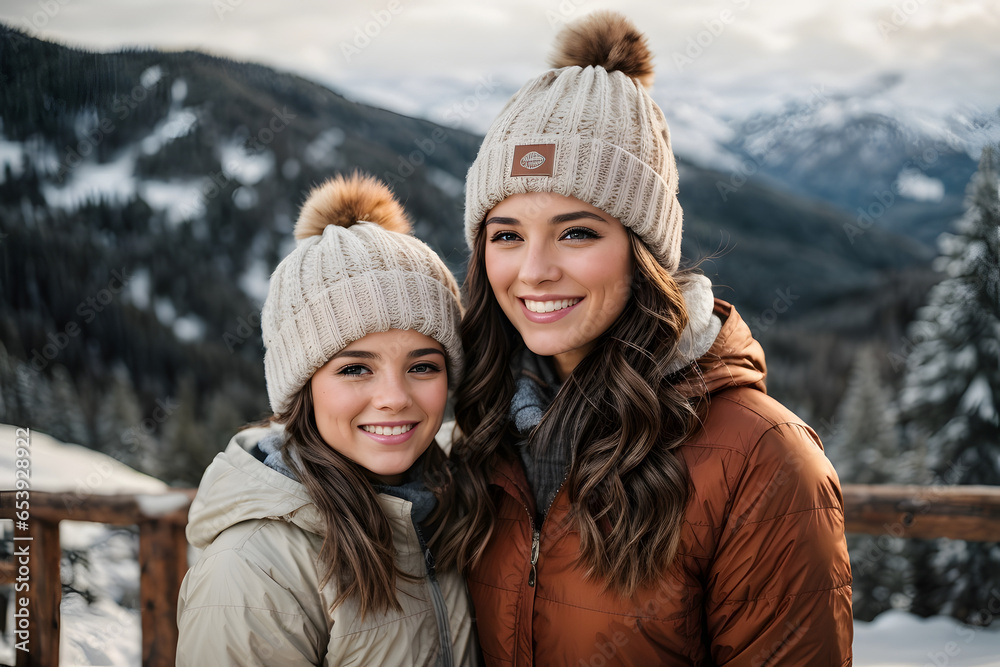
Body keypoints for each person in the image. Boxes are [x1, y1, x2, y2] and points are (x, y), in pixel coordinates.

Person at [437, 11, 853, 666]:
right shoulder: (472, 428)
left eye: (577, 232)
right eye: (507, 234)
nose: (534, 269)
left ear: (643, 252)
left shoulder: (763, 462)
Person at [177, 173, 479, 665]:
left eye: (422, 366)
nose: (394, 398)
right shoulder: (255, 570)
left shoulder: (451, 506)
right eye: (355, 368)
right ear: (303, 388)